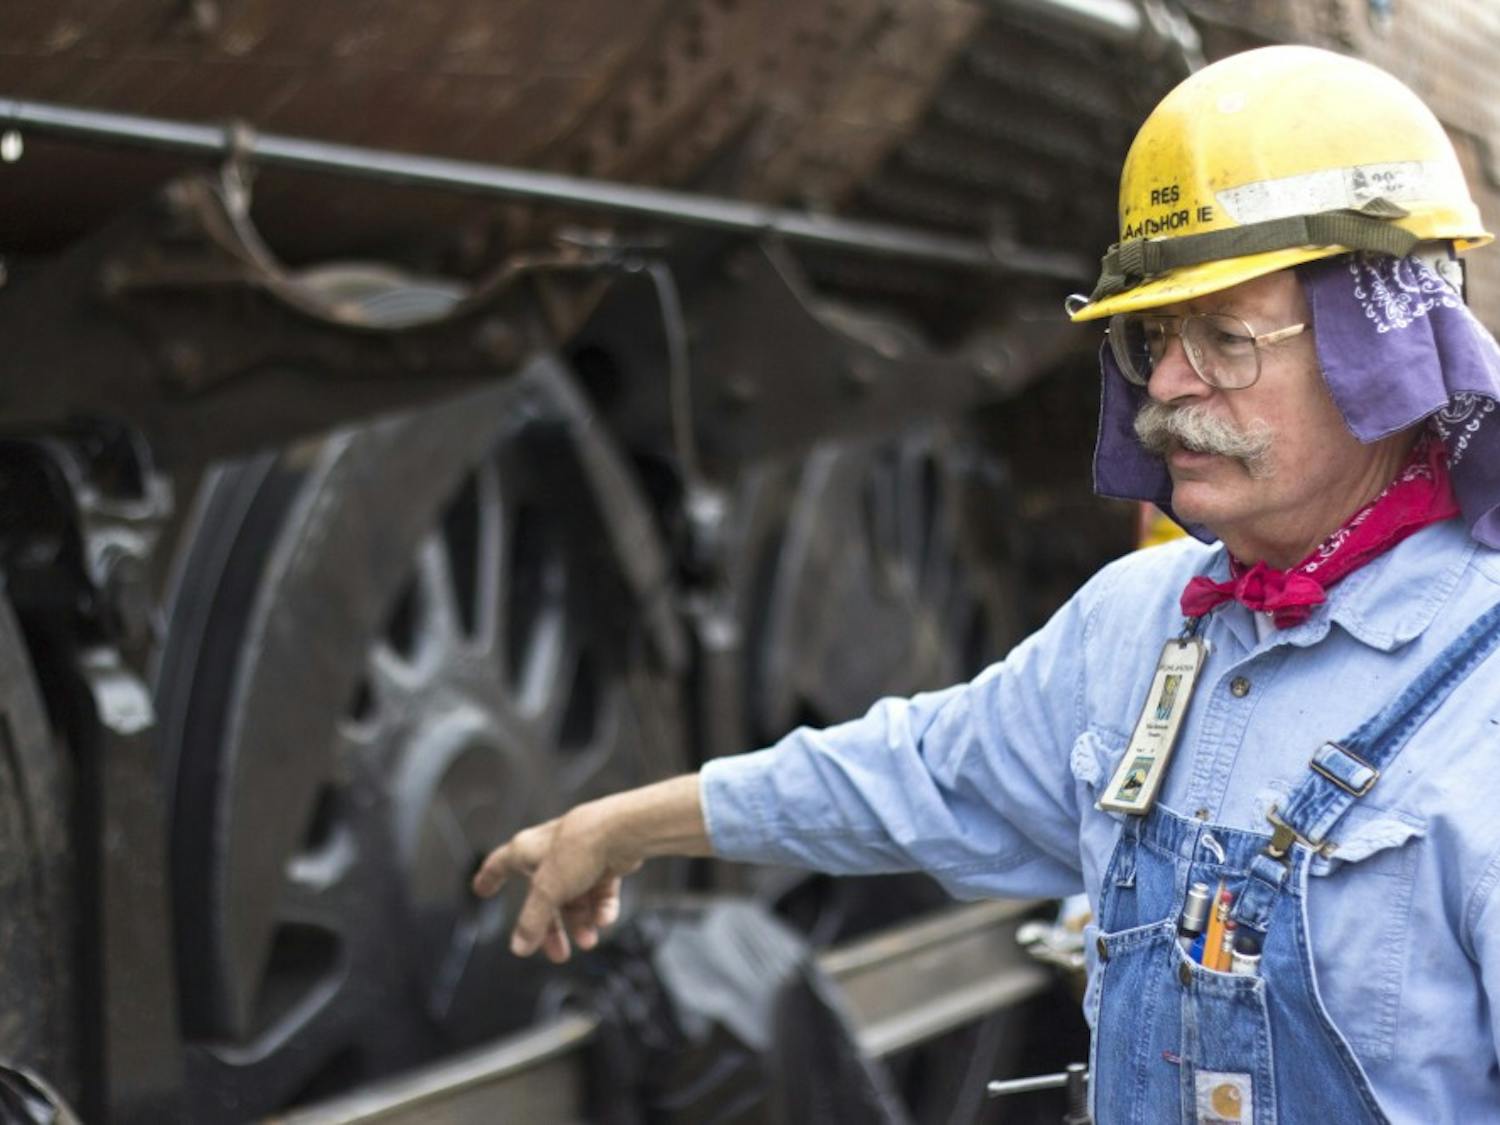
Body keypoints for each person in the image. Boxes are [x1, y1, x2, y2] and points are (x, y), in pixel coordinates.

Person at [473, 45, 1500, 1122]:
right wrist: (628, 826)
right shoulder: (1140, 626)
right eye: (1154, 335)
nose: (1164, 384)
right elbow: (916, 775)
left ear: (1378, 343)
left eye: (1225, 339)